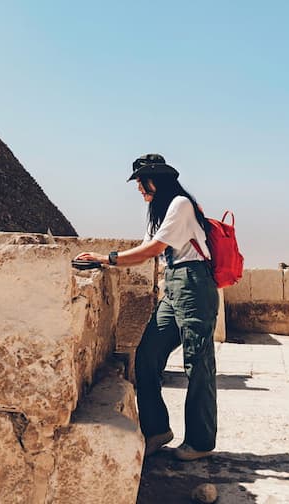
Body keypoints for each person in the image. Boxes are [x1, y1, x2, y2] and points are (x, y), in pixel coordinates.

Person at [74, 153, 219, 461]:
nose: (139, 188)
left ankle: (201, 441)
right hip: (174, 286)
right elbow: (143, 254)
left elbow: (155, 249)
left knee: (197, 364)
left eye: (141, 181)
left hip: (194, 284)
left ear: (158, 180)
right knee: (147, 356)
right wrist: (105, 257)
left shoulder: (180, 204)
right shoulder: (159, 211)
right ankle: (157, 430)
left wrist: (104, 258)